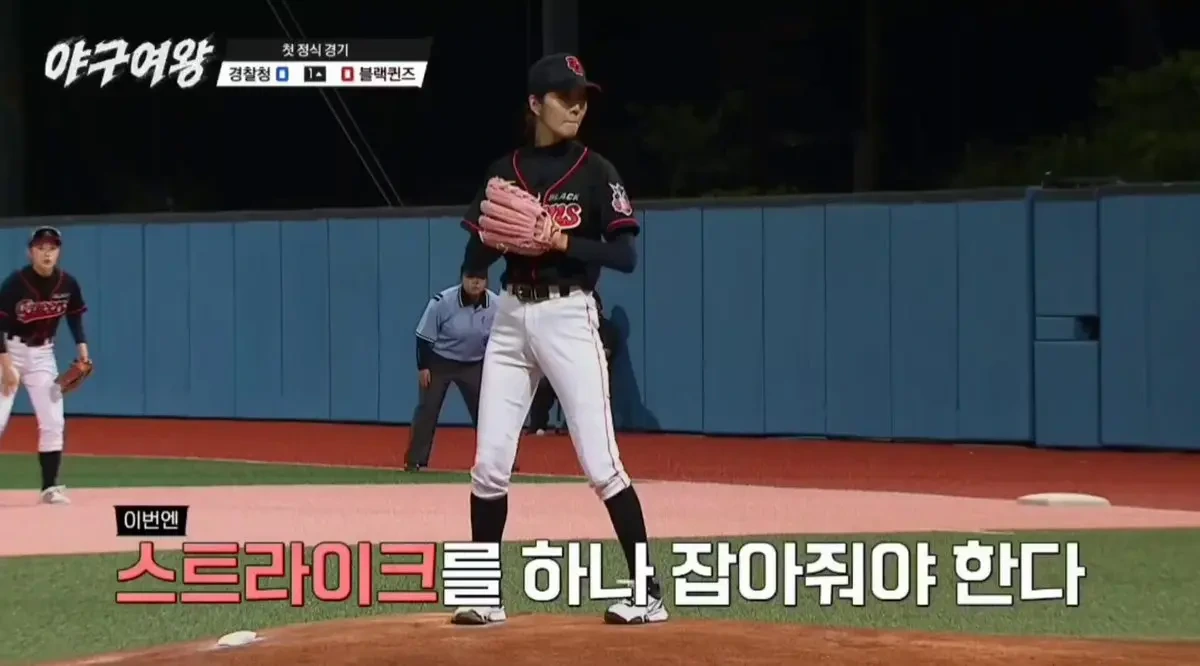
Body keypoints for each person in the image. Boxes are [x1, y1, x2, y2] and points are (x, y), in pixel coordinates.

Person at [452, 53, 667, 626]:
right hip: (510, 316)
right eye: (564, 96)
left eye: (582, 97)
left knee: (602, 464)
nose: (576, 106)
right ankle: (483, 596)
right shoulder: (504, 171)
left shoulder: (597, 171)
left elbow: (625, 256)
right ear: (534, 103)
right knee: (488, 465)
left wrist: (562, 242)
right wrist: (494, 245)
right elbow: (476, 257)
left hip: (569, 316)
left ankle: (648, 592)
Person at [0, 226, 89, 505]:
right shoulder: (15, 283)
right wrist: (6, 365)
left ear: (58, 251)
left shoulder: (67, 284)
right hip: (9, 350)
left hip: (42, 355)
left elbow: (74, 316)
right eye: (41, 248)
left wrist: (82, 348)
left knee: (53, 421)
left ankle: (50, 488)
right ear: (31, 252)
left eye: (52, 247)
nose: (47, 253)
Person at [404, 268, 498, 471]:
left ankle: (496, 461)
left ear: (487, 281)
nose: (475, 282)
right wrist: (423, 366)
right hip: (440, 361)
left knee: (485, 412)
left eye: (480, 278)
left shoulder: (496, 304)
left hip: (474, 362)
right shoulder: (442, 302)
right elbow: (423, 337)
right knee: (428, 409)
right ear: (462, 279)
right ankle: (416, 460)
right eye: (471, 277)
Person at [527, 290, 619, 435]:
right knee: (543, 384)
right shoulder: (571, 328)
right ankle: (538, 426)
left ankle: (588, 429)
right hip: (566, 373)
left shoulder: (606, 328)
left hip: (590, 376)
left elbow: (604, 354)